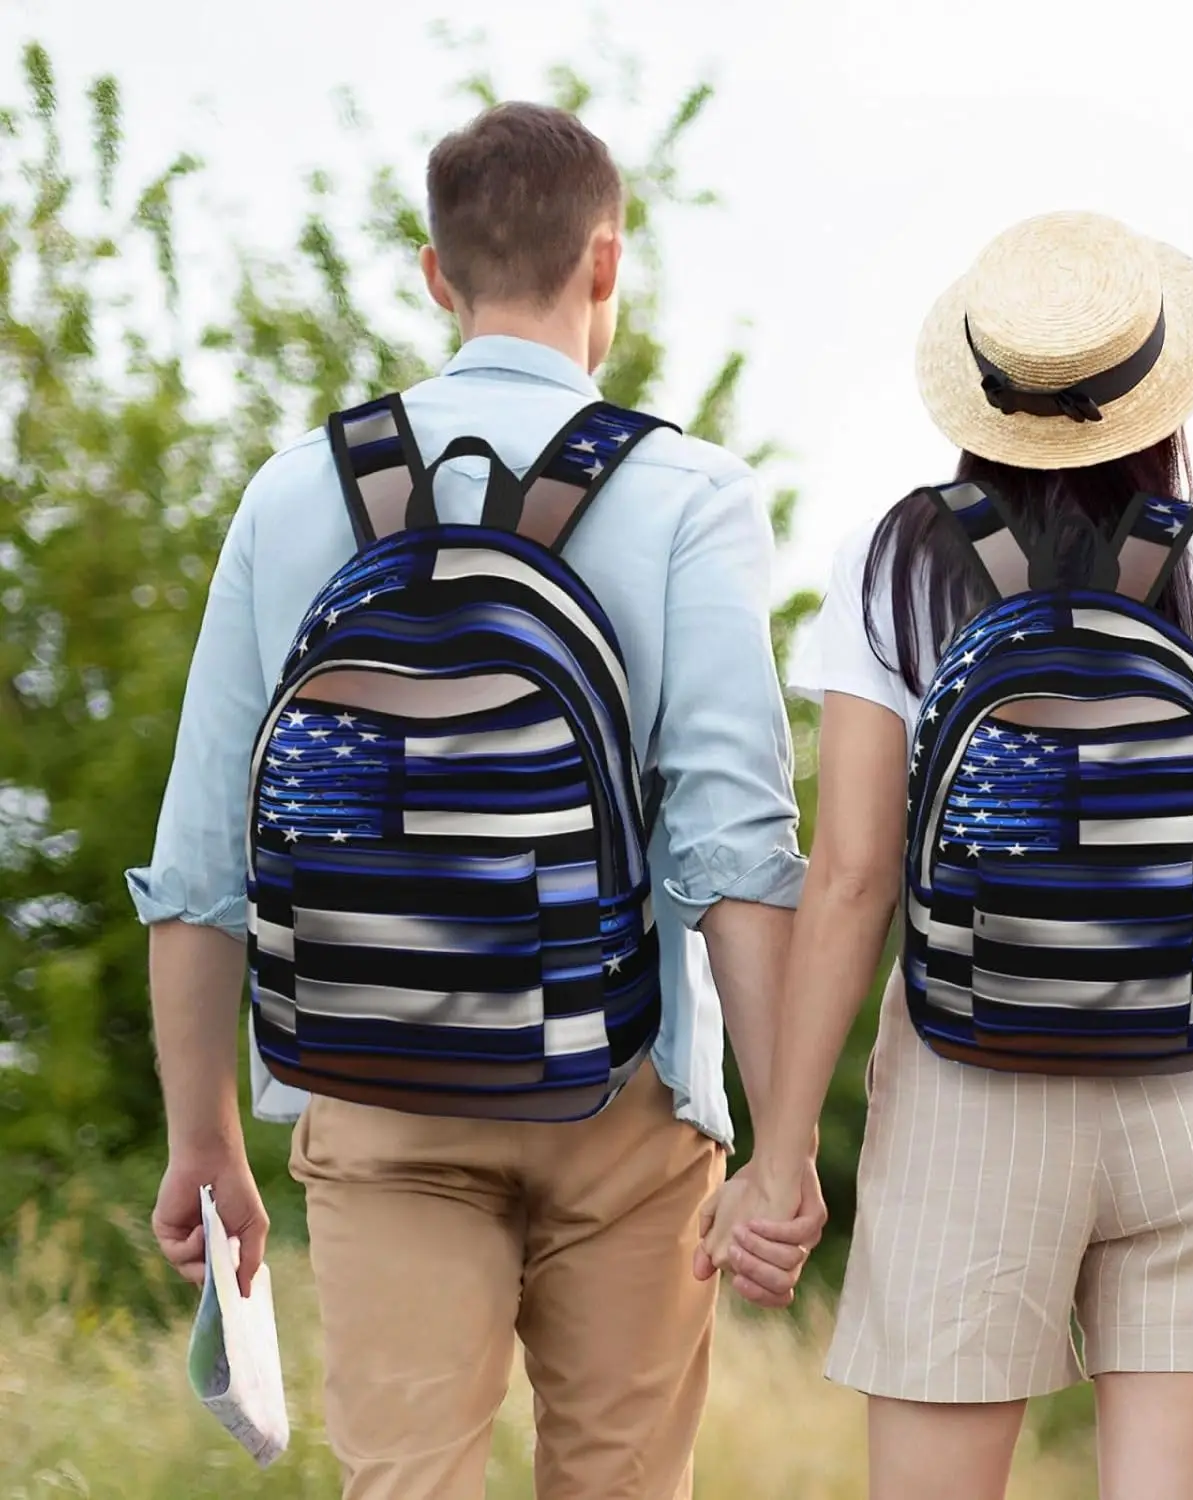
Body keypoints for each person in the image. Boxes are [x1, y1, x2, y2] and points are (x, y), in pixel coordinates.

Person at [128, 101, 824, 1500]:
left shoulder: (291, 495)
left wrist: (201, 1140)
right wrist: (783, 1145)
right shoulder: (687, 493)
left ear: (436, 275)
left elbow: (202, 858)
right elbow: (735, 849)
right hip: (625, 1091)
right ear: (606, 265)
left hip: (374, 1090)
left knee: (407, 1483)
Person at [698, 210, 1193, 1500]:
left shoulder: (893, 565)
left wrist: (779, 1159)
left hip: (965, 1096)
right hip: (1189, 1100)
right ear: (1156, 394)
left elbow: (852, 882)